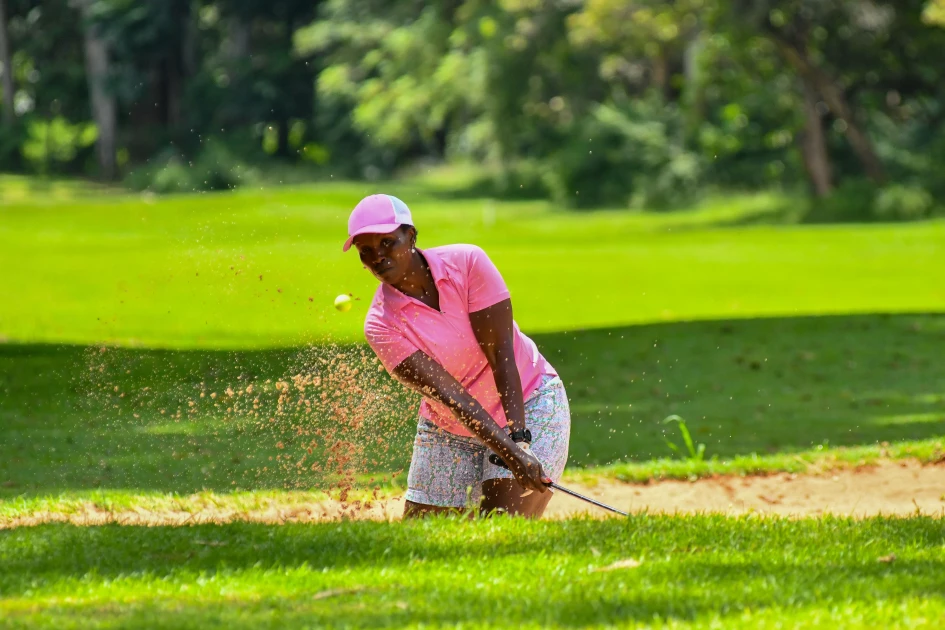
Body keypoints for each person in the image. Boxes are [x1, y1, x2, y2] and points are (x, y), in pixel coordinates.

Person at [343, 194, 571, 519]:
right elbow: (453, 398)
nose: (378, 257)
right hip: (450, 426)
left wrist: (519, 443)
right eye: (366, 252)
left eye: (388, 242)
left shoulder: (467, 263)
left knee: (501, 526)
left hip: (529, 403)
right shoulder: (381, 325)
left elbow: (500, 353)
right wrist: (509, 451)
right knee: (420, 541)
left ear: (411, 235)